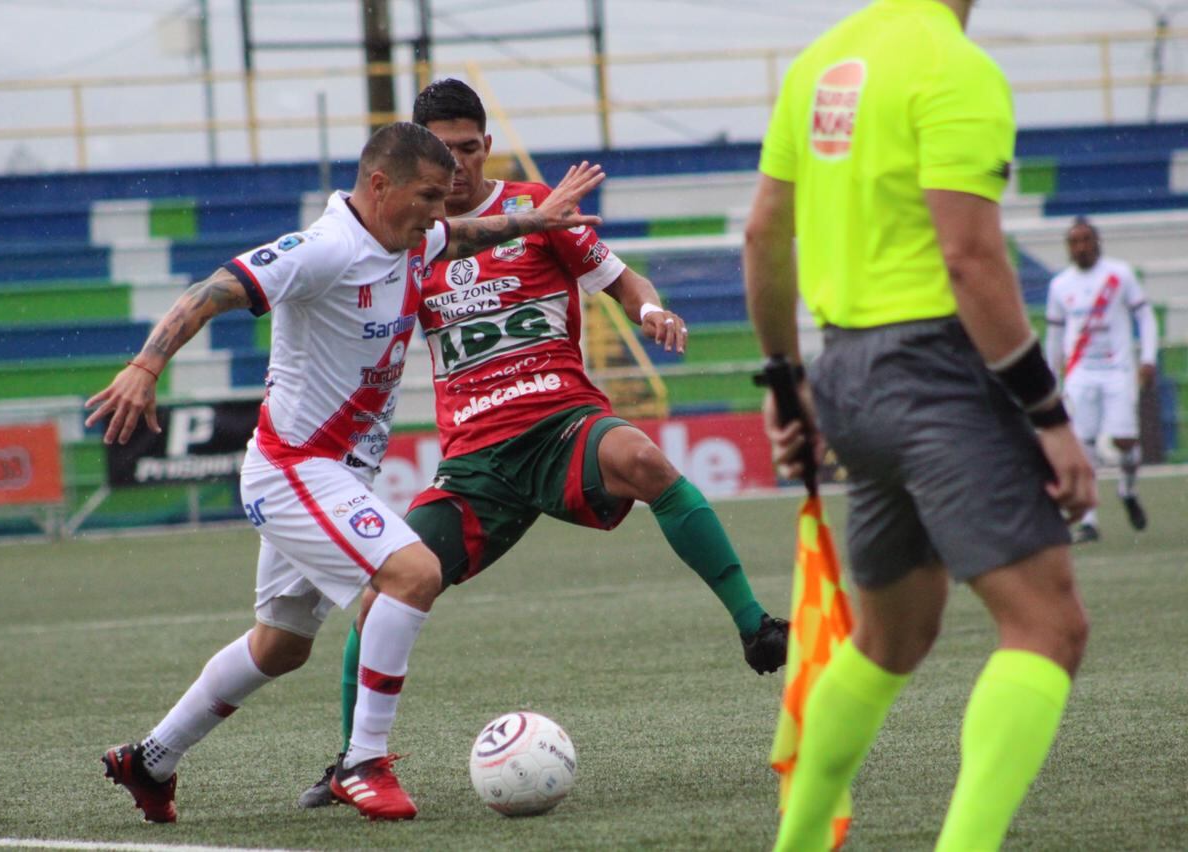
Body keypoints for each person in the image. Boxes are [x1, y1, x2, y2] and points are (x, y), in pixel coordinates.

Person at [85, 121, 604, 823]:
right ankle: (362, 761)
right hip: (295, 467)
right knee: (413, 572)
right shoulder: (325, 248)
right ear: (379, 184)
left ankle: (151, 759)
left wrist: (535, 221)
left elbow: (467, 235)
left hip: (335, 474)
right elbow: (215, 288)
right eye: (428, 195)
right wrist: (147, 365)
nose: (439, 210)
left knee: (281, 646)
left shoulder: (414, 237)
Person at [296, 78, 789, 809]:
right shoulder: (407, 237)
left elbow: (623, 282)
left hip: (561, 426)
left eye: (470, 148)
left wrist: (651, 309)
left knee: (646, 461)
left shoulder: (537, 209)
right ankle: (350, 762)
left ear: (487, 145)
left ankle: (756, 627)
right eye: (444, 153)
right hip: (473, 464)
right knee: (381, 600)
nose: (459, 166)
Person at [742, 2, 1094, 850]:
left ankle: (798, 843)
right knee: (1048, 625)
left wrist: (790, 385)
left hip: (846, 374)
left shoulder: (821, 62)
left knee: (893, 633)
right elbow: (969, 258)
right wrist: (1049, 415)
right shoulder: (954, 67)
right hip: (937, 374)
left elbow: (763, 234)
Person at [1046, 216, 1158, 543]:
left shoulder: (1119, 275)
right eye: (1075, 242)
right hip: (1081, 373)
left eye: (1086, 240)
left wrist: (1148, 358)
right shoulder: (1060, 286)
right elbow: (1054, 336)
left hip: (1117, 369)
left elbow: (1145, 315)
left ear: (1097, 242)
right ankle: (1089, 521)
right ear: (1068, 248)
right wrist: (1053, 380)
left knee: (1125, 443)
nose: (1081, 247)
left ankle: (1127, 490)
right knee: (1083, 446)